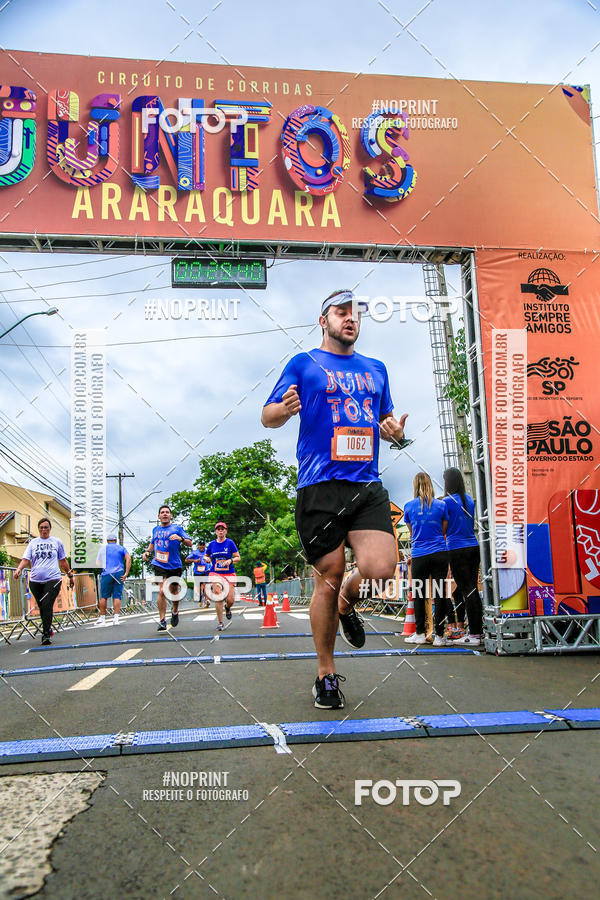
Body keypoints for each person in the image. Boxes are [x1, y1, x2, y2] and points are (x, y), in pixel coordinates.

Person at [262, 288, 408, 710]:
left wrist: (393, 433)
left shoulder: (376, 369)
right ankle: (325, 675)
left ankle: (348, 602)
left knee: (381, 568)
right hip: (319, 485)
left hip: (365, 482)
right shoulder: (303, 364)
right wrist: (285, 410)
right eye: (341, 312)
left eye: (356, 313)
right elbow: (267, 416)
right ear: (323, 321)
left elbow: (385, 420)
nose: (350, 318)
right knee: (328, 573)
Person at [403, 472, 449, 646]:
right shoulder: (441, 505)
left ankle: (420, 633)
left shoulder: (408, 506)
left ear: (415, 486)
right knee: (439, 594)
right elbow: (443, 530)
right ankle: (439, 635)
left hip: (419, 554)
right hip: (439, 552)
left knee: (420, 594)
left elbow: (412, 532)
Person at [13, 517, 73, 645]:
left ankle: (45, 635)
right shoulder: (33, 543)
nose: (43, 530)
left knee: (46, 604)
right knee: (42, 606)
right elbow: (25, 559)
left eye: (46, 527)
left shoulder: (56, 542)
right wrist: (18, 569)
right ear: (39, 529)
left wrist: (70, 575)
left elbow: (63, 561)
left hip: (53, 578)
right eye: (41, 527)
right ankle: (48, 627)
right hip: (35, 581)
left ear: (50, 529)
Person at [442, 467, 483, 646]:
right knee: (471, 589)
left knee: (467, 591)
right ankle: (476, 630)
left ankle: (474, 633)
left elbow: (443, 528)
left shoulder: (446, 502)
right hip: (473, 546)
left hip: (456, 548)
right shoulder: (469, 500)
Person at [143, 505, 192, 631]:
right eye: (162, 512)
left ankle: (175, 611)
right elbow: (152, 544)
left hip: (174, 565)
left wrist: (180, 538)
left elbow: (189, 542)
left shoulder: (177, 528)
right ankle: (162, 620)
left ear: (170, 516)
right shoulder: (155, 530)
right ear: (159, 516)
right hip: (159, 563)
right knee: (162, 590)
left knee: (174, 592)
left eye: (167, 512)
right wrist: (147, 552)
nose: (165, 514)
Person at [204, 522, 240, 624]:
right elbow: (206, 556)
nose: (220, 531)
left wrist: (231, 560)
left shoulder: (230, 543)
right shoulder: (211, 544)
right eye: (218, 529)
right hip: (215, 573)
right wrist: (206, 558)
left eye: (222, 529)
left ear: (226, 531)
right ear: (215, 532)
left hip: (229, 573)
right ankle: (220, 623)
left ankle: (227, 607)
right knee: (218, 595)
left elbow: (238, 557)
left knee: (231, 600)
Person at [95, 534, 131, 625]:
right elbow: (128, 558)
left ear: (107, 541)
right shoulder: (121, 548)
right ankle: (116, 618)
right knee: (117, 596)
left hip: (107, 573)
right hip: (119, 573)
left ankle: (102, 618)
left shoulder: (102, 549)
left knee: (104, 596)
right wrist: (126, 573)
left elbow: (97, 562)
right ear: (116, 540)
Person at [186, 540, 212, 608]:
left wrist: (209, 562)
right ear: (198, 546)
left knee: (205, 586)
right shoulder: (195, 553)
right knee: (198, 588)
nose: (202, 546)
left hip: (205, 571)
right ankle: (200, 599)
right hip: (197, 572)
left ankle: (207, 600)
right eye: (200, 545)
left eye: (203, 545)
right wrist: (195, 560)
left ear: (204, 546)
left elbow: (212, 559)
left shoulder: (207, 552)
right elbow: (187, 559)